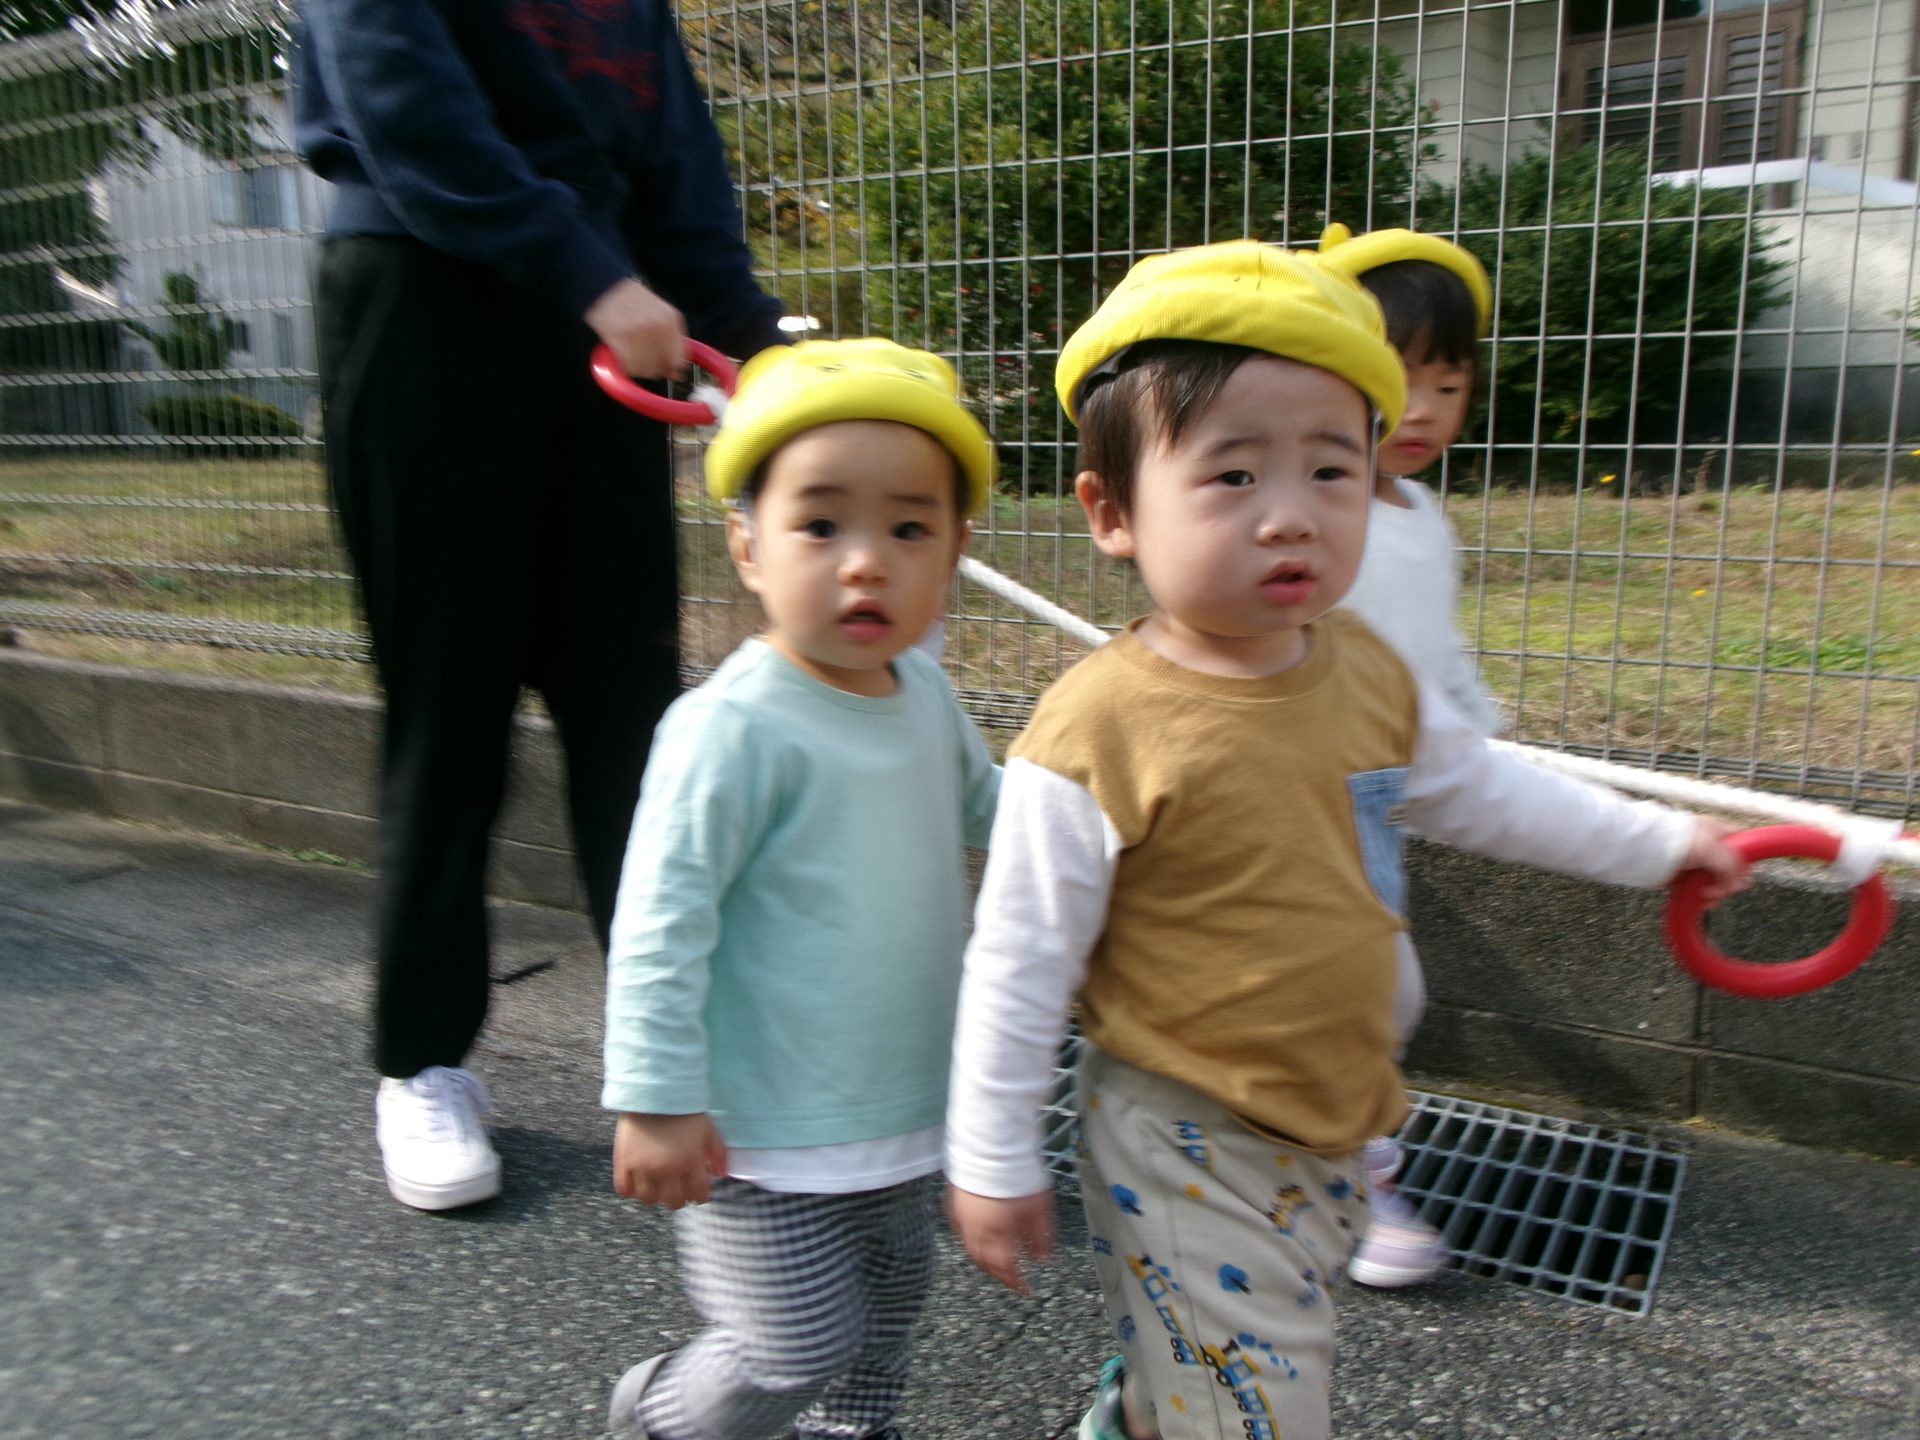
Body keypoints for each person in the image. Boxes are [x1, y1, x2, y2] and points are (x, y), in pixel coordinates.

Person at [941, 241, 1749, 1440]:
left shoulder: (1363, 668)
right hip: (1180, 1126)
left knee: (1231, 1355)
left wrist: (1664, 843)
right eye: (1231, 476)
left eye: (1332, 470)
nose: (1291, 517)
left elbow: (1483, 791)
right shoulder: (1095, 732)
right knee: (1260, 1402)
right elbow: (1020, 959)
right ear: (1112, 511)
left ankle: (1142, 1411)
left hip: (1337, 1111)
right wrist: (992, 1154)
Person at [292, 2, 790, 1212]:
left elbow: (677, 171)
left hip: (610, 331)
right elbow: (401, 96)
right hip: (425, 288)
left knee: (632, 714)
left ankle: (677, 1063)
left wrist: (769, 356)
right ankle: (421, 1063)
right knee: (449, 711)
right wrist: (589, 271)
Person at [601, 339, 1001, 1440]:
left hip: (904, 1104)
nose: (866, 563)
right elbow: (662, 922)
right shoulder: (732, 728)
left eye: (909, 530)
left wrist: (1111, 829)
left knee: (889, 1314)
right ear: (749, 546)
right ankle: (662, 1418)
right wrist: (656, 1096)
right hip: (757, 1129)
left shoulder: (923, 691)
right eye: (821, 526)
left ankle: (855, 1431)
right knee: (792, 1342)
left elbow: (992, 810)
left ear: (955, 551)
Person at [1319, 221, 1502, 1288]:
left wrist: (1491, 734)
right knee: (1377, 993)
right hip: (1304, 792)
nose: (1425, 409)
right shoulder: (1323, 514)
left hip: (1381, 796)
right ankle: (1351, 1175)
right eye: (1400, 378)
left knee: (1377, 995)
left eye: (1451, 383)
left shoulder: (1426, 515)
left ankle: (1334, 1159)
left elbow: (1440, 650)